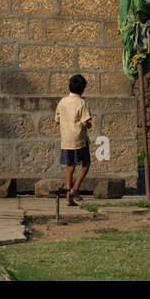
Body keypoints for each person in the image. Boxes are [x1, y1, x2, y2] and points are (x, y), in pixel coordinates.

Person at [55, 73, 92, 206]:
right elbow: (85, 122)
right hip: (79, 139)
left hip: (66, 139)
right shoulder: (82, 103)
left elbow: (57, 120)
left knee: (70, 168)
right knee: (86, 163)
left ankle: (68, 198)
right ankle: (74, 189)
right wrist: (89, 125)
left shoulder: (62, 102)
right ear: (83, 89)